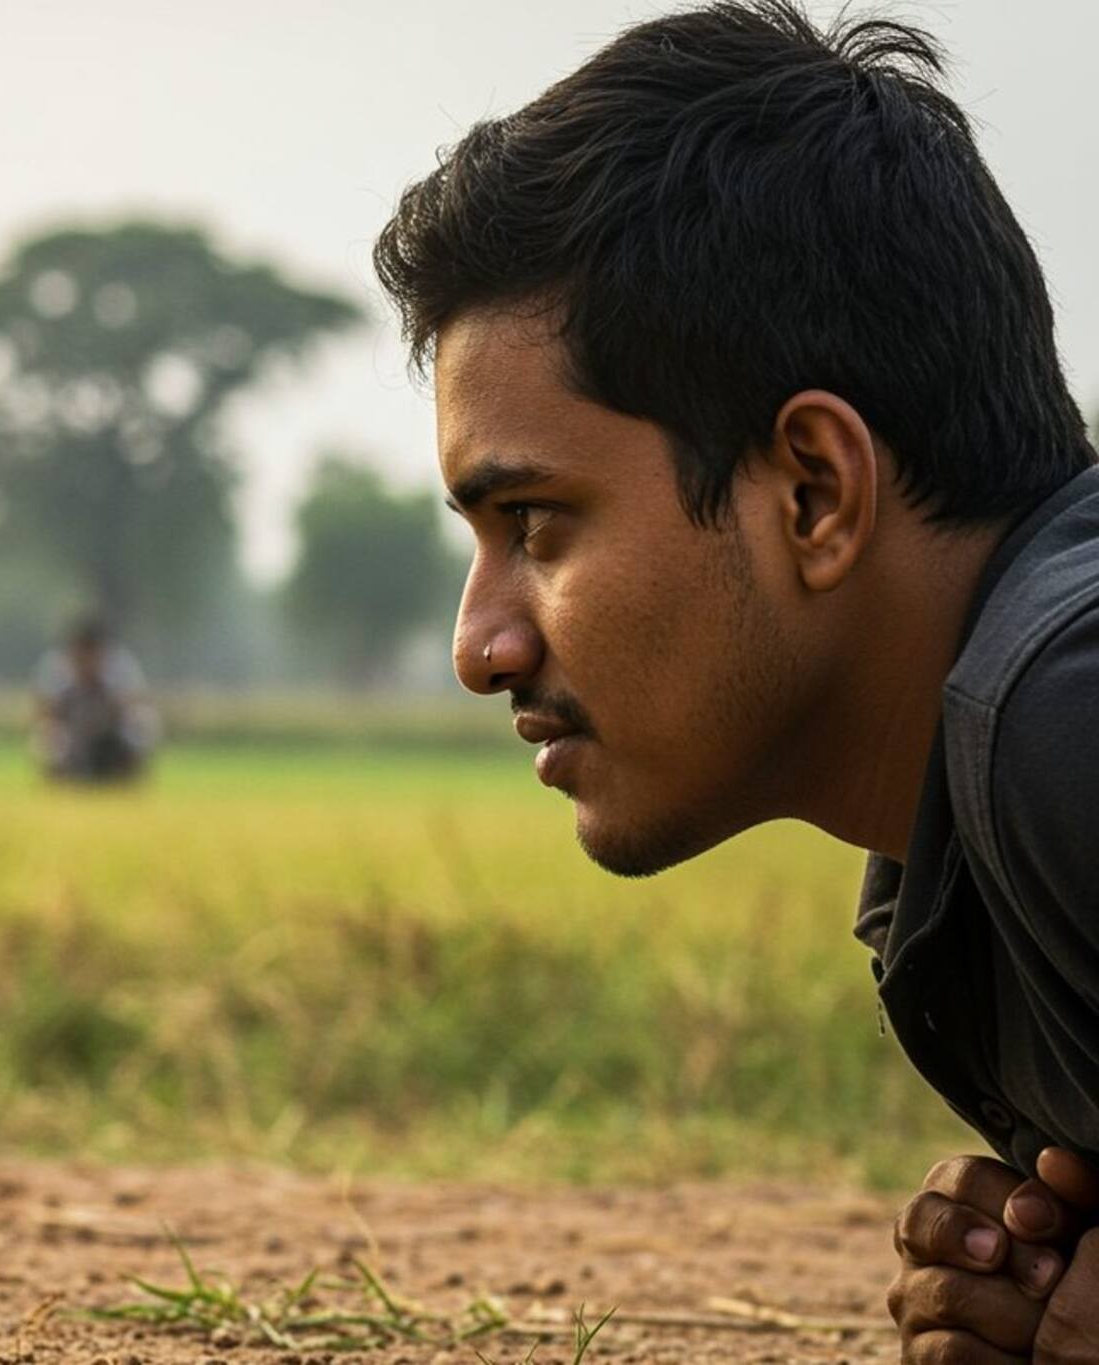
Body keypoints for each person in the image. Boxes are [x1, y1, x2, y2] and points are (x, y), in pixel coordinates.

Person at [372, 3, 1099, 1358]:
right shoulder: (948, 858)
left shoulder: (1062, 717)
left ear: (814, 491)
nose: (482, 647)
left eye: (536, 523)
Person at [31, 615, 160, 783]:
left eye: (92, 650)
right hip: (72, 730)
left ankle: (129, 774)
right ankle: (60, 778)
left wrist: (103, 694)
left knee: (143, 720)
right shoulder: (57, 666)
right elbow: (43, 710)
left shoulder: (119, 664)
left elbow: (136, 702)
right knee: (48, 733)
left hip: (111, 731)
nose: (87, 657)